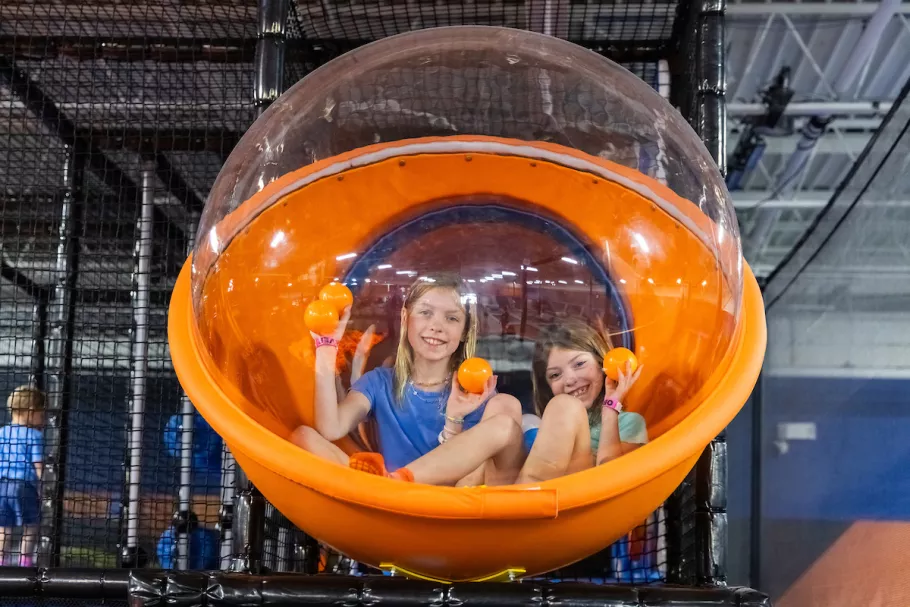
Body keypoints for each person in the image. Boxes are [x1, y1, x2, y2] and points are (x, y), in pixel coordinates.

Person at [291, 273, 526, 486]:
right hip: (393, 502)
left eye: (451, 318)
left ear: (464, 331)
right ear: (405, 318)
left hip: (451, 508)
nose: (436, 326)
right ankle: (382, 487)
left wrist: (454, 419)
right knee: (303, 436)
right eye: (425, 313)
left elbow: (468, 482)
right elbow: (331, 429)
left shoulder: (473, 392)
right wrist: (326, 347)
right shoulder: (380, 382)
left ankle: (391, 482)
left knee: (506, 415)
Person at [516, 319, 647, 484]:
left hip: (585, 499)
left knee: (567, 406)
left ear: (602, 363)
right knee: (504, 406)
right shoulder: (548, 427)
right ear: (547, 386)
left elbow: (612, 481)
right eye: (555, 375)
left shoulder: (629, 423)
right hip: (544, 497)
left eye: (579, 364)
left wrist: (610, 412)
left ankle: (525, 498)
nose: (570, 380)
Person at [0, 385, 45, 567]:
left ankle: (1, 561)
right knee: (31, 526)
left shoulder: (2, 432)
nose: (43, 419)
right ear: (31, 411)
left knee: (3, 527)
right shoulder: (34, 435)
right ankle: (25, 561)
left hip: (2, 486)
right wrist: (43, 487)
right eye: (42, 414)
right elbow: (38, 464)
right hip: (24, 486)